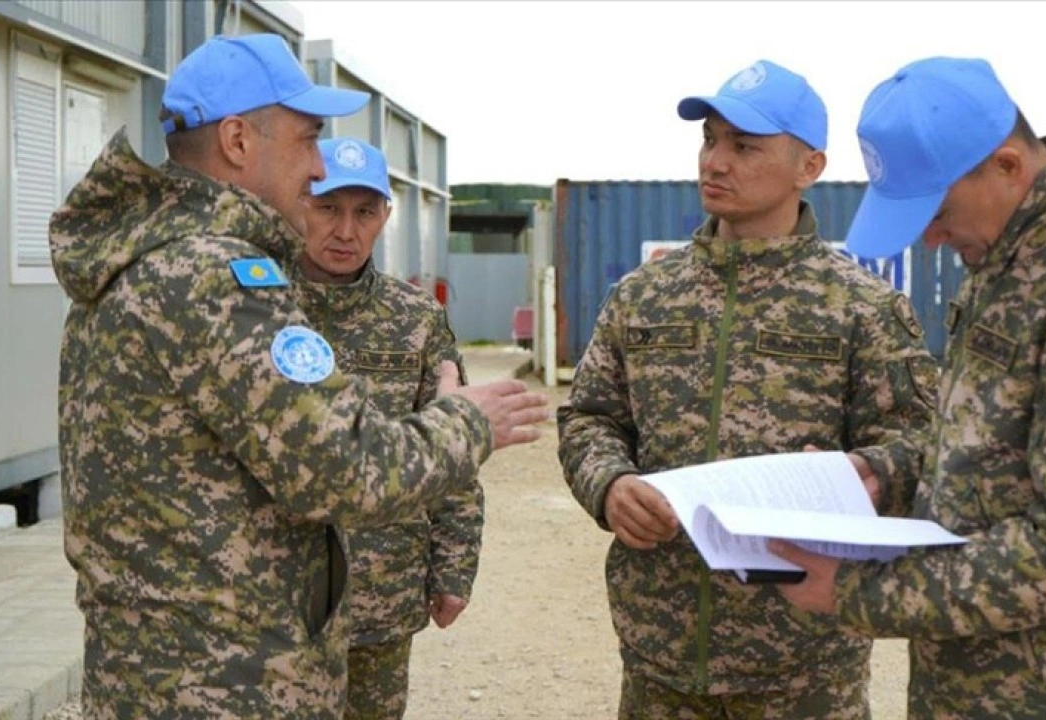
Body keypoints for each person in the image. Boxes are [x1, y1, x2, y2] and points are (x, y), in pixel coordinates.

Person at [49, 34, 548, 719]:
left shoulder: (138, 263)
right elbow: (341, 466)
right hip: (225, 687)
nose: (317, 167)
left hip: (151, 676)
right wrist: (468, 420)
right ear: (236, 141)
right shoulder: (218, 279)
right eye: (307, 138)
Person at [769, 56, 1046, 719]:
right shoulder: (1008, 257)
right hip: (974, 685)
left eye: (937, 211)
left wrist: (855, 594)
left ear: (1007, 166)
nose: (931, 238)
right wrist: (878, 473)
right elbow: (981, 445)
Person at [557, 59, 937, 719]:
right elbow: (590, 418)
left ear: (809, 167)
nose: (715, 161)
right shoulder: (643, 297)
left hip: (805, 662)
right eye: (709, 140)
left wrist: (866, 473)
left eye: (744, 146)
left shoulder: (861, 306)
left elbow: (922, 443)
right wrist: (610, 485)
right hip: (661, 652)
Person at [295, 137, 483, 718]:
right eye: (328, 209)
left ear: (385, 217)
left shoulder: (416, 320)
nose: (346, 230)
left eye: (364, 212)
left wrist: (453, 566)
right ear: (299, 203)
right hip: (273, 595)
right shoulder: (258, 307)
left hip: (382, 589)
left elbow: (456, 447)